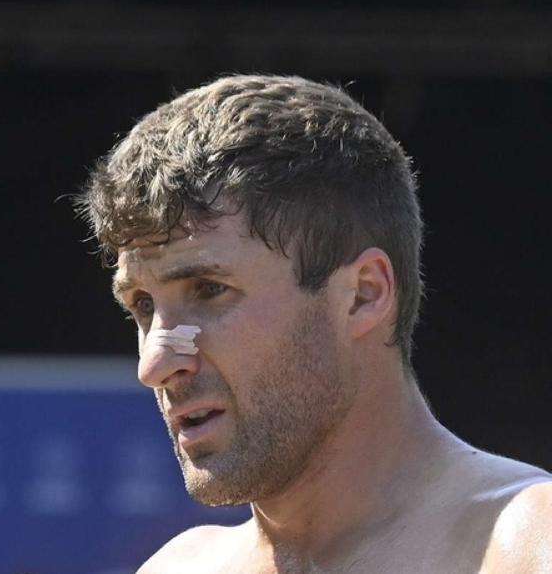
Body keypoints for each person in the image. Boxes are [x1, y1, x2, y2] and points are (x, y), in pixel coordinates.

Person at [78, 74, 552, 573]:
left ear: (363, 295)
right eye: (143, 305)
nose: (155, 364)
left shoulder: (526, 549)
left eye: (210, 289)